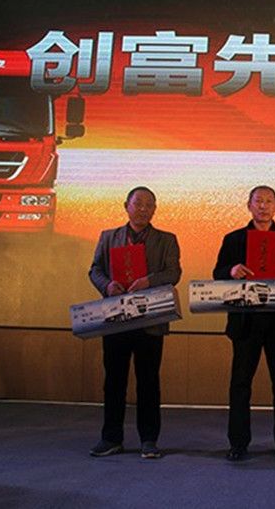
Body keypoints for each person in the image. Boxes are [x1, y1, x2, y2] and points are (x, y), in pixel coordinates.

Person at [88, 186, 182, 459]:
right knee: (114, 381)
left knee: (148, 382)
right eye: (138, 204)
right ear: (126, 206)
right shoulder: (109, 237)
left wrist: (148, 281)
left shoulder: (166, 239)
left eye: (148, 205)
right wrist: (107, 285)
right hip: (115, 318)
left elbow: (174, 272)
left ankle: (149, 440)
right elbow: (95, 269)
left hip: (151, 320)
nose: (143, 209)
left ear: (155, 209)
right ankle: (111, 438)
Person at [213, 186, 275, 461]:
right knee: (240, 384)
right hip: (246, 323)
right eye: (258, 201)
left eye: (268, 201)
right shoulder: (233, 239)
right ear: (249, 205)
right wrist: (231, 270)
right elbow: (217, 273)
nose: (263, 206)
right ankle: (238, 444)